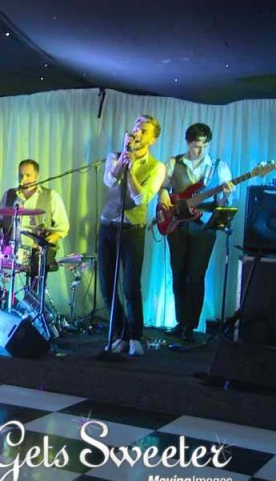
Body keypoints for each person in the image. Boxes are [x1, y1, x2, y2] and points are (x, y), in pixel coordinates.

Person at [159, 123, 235, 342]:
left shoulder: (219, 167)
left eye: (204, 146)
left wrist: (225, 196)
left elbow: (223, 202)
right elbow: (162, 186)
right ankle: (180, 321)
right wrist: (163, 193)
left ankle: (190, 326)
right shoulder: (173, 162)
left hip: (204, 226)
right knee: (178, 274)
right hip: (177, 224)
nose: (200, 151)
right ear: (188, 143)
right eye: (195, 146)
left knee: (196, 276)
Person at [99, 115, 167, 356]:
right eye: (136, 126)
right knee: (107, 287)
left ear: (152, 139)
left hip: (132, 230)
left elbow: (141, 198)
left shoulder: (157, 167)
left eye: (144, 130)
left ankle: (136, 335)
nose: (137, 131)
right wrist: (123, 161)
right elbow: (109, 180)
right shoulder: (114, 156)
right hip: (108, 226)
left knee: (130, 287)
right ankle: (120, 333)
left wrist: (132, 170)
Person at [0, 159, 69, 275]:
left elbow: (63, 226)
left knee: (35, 276)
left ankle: (33, 292)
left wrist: (45, 242)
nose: (23, 179)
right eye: (21, 175)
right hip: (11, 250)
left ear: (37, 176)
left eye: (28, 175)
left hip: (37, 252)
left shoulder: (50, 196)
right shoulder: (10, 195)